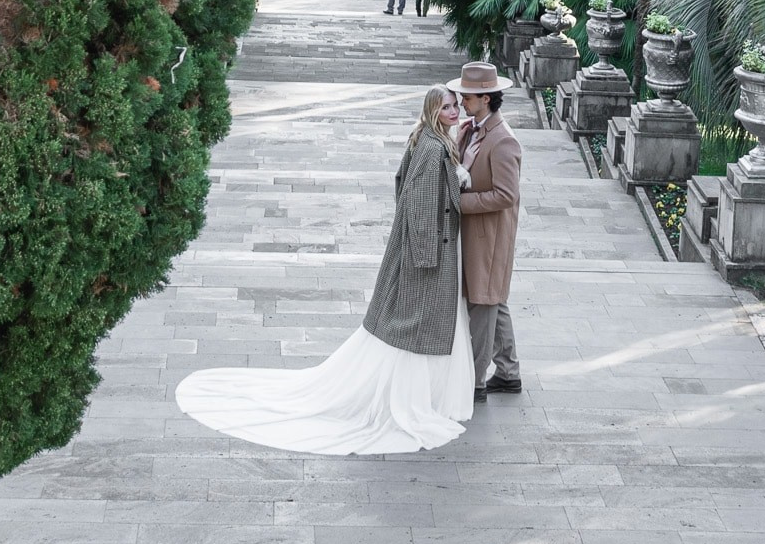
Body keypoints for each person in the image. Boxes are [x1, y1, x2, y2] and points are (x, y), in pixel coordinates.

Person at [174, 88, 475, 453]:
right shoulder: (432, 147)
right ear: (432, 110)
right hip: (426, 252)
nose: (454, 111)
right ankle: (413, 399)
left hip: (418, 246)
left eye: (455, 105)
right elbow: (420, 202)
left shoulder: (425, 138)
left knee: (409, 323)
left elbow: (401, 184)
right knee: (413, 322)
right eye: (447, 107)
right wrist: (429, 249)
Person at [449, 61, 523, 397]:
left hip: (490, 238)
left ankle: (475, 381)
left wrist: (461, 204)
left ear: (486, 99)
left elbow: (506, 196)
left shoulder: (503, 141)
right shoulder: (473, 129)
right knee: (493, 300)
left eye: (468, 96)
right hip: (476, 235)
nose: (462, 100)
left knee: (482, 303)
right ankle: (508, 372)